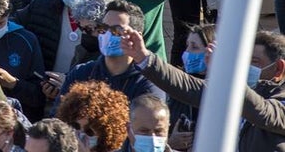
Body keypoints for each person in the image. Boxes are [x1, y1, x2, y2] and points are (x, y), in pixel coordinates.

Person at [122, 25, 285, 152]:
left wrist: (228, 76)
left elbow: (263, 112)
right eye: (242, 60)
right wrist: (144, 57)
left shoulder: (279, 102)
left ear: (278, 68)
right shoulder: (228, 91)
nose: (243, 67)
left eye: (254, 62)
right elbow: (186, 85)